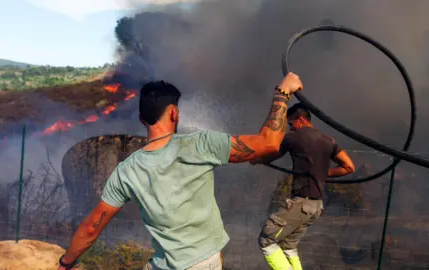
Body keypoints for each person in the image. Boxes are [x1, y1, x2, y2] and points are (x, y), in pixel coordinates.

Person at [57, 72, 303, 270]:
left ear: (142, 119)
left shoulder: (126, 171)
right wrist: (282, 93)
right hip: (204, 262)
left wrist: (65, 263)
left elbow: (91, 228)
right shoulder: (199, 144)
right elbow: (269, 142)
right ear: (174, 112)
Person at [250, 103, 355, 270]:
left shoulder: (293, 137)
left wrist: (255, 159)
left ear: (300, 119)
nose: (291, 128)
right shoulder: (329, 140)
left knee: (266, 241)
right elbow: (349, 166)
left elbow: (270, 153)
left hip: (301, 204)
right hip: (316, 207)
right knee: (288, 247)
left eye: (291, 124)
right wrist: (323, 173)